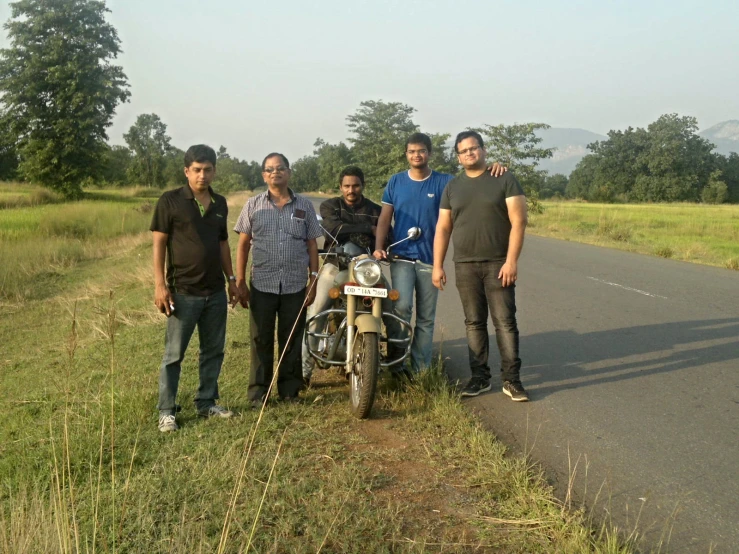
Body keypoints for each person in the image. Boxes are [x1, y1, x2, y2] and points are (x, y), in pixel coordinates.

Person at [373, 132, 505, 373]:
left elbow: (472, 181)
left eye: (421, 151)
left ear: (430, 153)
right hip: (401, 257)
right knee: (401, 309)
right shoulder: (395, 181)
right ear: (406, 154)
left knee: (426, 317)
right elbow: (384, 219)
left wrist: (493, 169)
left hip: (430, 260)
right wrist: (379, 247)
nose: (416, 155)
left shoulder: (446, 182)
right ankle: (396, 364)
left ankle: (420, 369)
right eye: (412, 151)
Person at [432, 131, 529, 401]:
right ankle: (479, 379)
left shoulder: (504, 178)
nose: (469, 153)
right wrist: (437, 265)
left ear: (484, 150)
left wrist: (512, 261)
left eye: (474, 148)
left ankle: (512, 380)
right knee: (474, 323)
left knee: (505, 323)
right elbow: (443, 227)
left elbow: (519, 221)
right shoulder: (452, 187)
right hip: (464, 264)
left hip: (499, 263)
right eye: (463, 151)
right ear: (458, 156)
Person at [151, 144, 239, 432]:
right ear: (186, 171)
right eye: (197, 170)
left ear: (215, 170)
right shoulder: (170, 201)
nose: (203, 175)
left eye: (208, 169)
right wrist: (160, 285)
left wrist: (232, 280)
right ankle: (167, 411)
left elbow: (223, 243)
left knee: (213, 350)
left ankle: (206, 402)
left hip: (214, 291)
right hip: (182, 291)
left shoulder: (220, 203)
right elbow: (159, 243)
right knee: (174, 354)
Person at [234, 152, 323, 407]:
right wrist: (240, 280)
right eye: (270, 169)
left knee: (292, 338)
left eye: (280, 168)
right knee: (260, 338)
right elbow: (242, 246)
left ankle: (289, 391)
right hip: (262, 283)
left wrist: (313, 280)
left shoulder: (304, 205)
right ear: (264, 175)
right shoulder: (253, 205)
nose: (276, 173)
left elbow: (312, 244)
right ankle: (258, 395)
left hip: (296, 284)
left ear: (289, 172)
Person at [301, 165, 396, 384]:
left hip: (367, 269)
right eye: (347, 186)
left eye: (355, 185)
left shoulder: (375, 210)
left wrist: (381, 242)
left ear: (362, 185)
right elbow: (332, 229)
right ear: (340, 187)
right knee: (316, 312)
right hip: (335, 265)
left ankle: (396, 367)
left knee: (393, 313)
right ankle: (304, 373)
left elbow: (386, 235)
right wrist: (369, 228)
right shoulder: (330, 205)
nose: (351, 190)